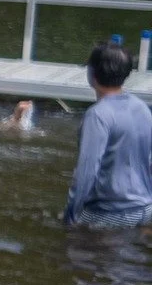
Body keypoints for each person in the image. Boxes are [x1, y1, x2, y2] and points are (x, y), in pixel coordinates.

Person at [63, 40, 152, 228]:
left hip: (110, 213)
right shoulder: (142, 108)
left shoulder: (97, 115)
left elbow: (87, 170)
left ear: (92, 75)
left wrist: (71, 213)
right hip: (145, 208)